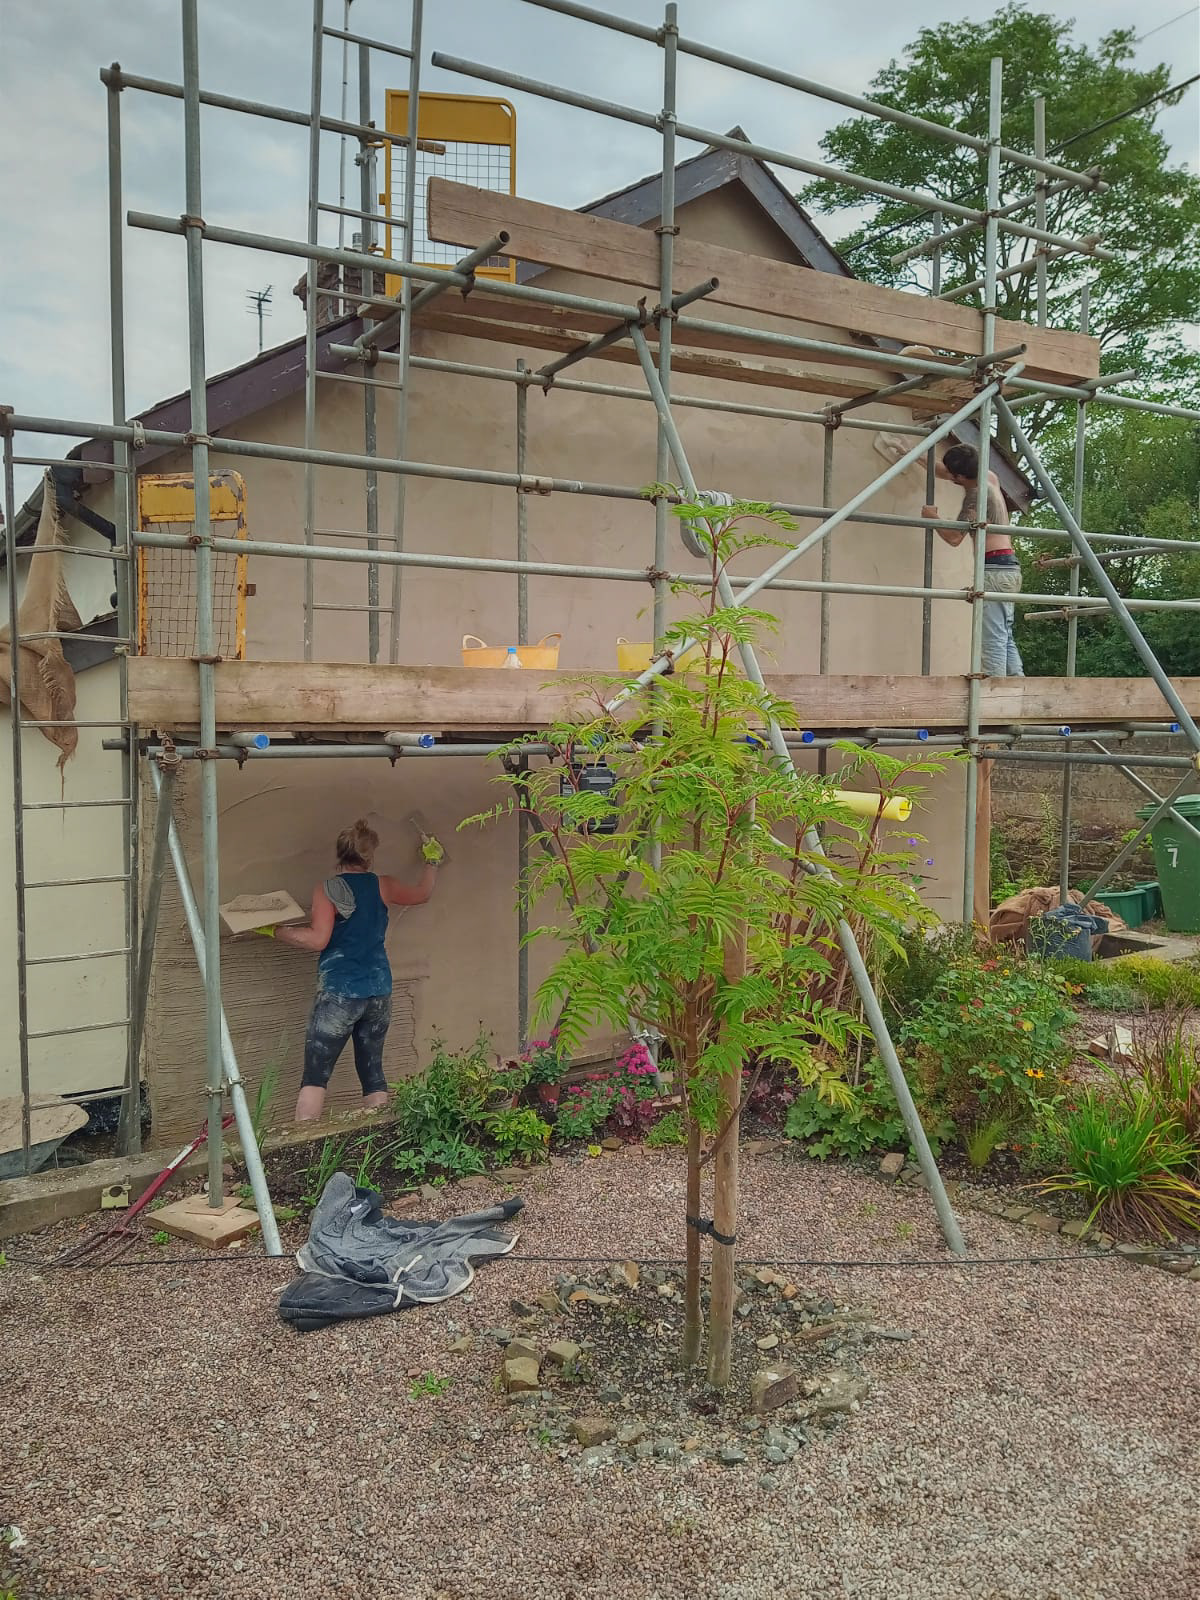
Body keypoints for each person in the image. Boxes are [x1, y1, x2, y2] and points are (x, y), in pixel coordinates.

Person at [256, 819, 441, 1121]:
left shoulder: (327, 890)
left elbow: (318, 939)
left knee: (315, 1076)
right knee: (373, 1073)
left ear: (340, 854)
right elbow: (422, 893)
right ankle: (380, 1137)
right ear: (369, 856)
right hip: (378, 991)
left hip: (340, 993)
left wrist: (274, 930)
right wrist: (432, 860)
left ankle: (305, 1143)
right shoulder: (383, 885)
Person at [923, 443, 1024, 678]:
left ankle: (993, 693)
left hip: (993, 570)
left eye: (953, 475)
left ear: (959, 477)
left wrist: (932, 517)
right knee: (1004, 635)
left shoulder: (976, 497)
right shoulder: (990, 477)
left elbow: (954, 537)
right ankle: (1017, 686)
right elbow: (944, 471)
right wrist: (910, 454)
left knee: (992, 640)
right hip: (1008, 568)